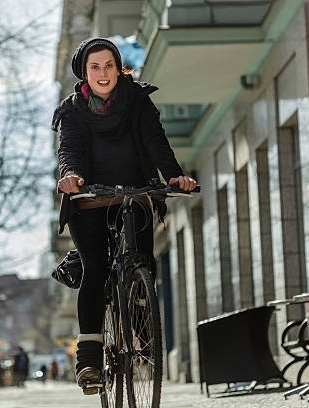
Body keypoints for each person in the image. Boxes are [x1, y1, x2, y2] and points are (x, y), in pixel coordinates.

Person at [52, 37, 197, 394]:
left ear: (119, 68)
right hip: (89, 199)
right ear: (84, 73)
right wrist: (70, 175)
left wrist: (174, 175)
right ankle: (88, 360)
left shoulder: (138, 101)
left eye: (109, 65)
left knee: (142, 267)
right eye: (95, 67)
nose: (103, 73)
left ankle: (146, 342)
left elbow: (156, 141)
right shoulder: (72, 111)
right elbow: (68, 148)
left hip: (135, 196)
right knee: (96, 269)